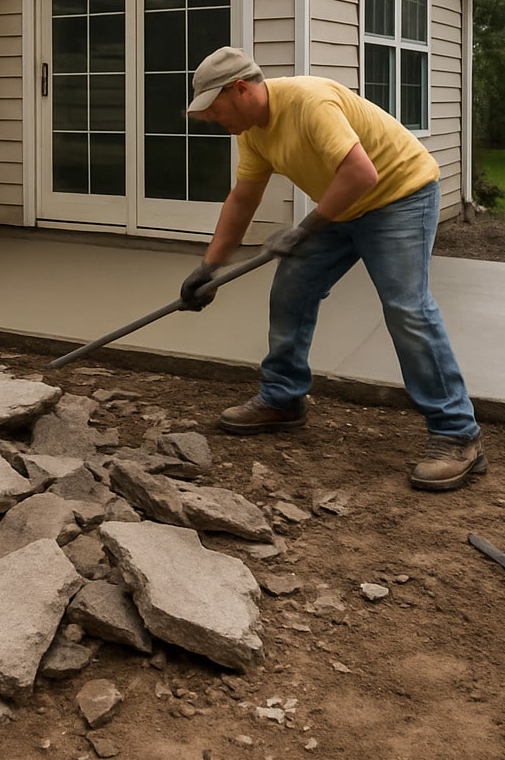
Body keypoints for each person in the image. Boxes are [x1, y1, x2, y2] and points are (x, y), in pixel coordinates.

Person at [178, 46, 485, 492]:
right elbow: (243, 198)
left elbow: (362, 174)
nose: (209, 118)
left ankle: (459, 434)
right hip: (342, 207)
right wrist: (209, 267)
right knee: (291, 290)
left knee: (406, 308)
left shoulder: (309, 103)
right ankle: (283, 399)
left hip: (400, 196)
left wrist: (304, 228)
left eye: (213, 107)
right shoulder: (252, 131)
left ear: (240, 89)